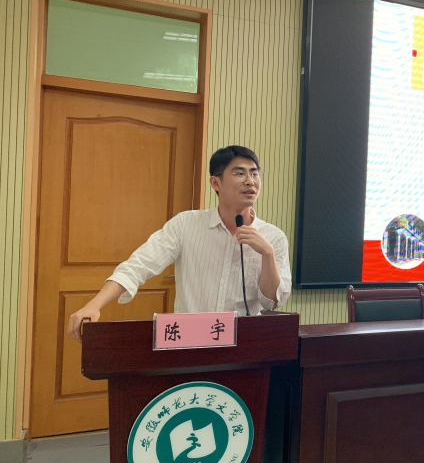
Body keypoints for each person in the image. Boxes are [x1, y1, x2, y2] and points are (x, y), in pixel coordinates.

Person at [67, 145, 291, 342]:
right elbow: (139, 265)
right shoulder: (186, 225)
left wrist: (267, 254)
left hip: (245, 342)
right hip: (189, 340)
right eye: (239, 173)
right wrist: (94, 304)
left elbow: (273, 302)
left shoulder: (273, 237)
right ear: (216, 182)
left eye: (254, 173)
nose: (250, 181)